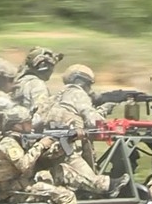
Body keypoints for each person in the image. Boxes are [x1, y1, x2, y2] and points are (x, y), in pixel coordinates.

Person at [37, 64, 130, 197]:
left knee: (76, 177)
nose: (89, 88)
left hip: (51, 145)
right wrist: (106, 117)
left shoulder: (58, 95)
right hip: (67, 146)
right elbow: (93, 122)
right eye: (88, 84)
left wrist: (106, 106)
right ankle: (107, 186)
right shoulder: (77, 93)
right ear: (81, 81)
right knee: (88, 178)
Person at [13, 47, 63, 113]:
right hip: (28, 121)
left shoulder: (18, 80)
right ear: (43, 67)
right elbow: (41, 113)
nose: (52, 70)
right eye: (51, 66)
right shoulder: (37, 85)